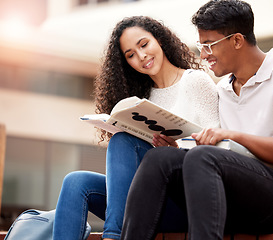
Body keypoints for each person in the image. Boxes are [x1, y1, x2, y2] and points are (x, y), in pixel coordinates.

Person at [119, 1, 273, 240]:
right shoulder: (224, 89)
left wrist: (232, 135)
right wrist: (178, 150)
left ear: (236, 40)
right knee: (160, 158)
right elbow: (224, 157)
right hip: (235, 196)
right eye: (200, 45)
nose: (203, 55)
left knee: (202, 157)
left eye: (208, 45)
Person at [53, 16, 219, 240]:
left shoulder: (195, 82)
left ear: (159, 39)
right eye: (130, 55)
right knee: (75, 182)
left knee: (124, 140)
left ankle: (113, 236)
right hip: (145, 202)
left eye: (144, 45)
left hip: (187, 202)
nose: (141, 57)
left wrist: (177, 149)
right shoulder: (141, 99)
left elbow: (219, 151)